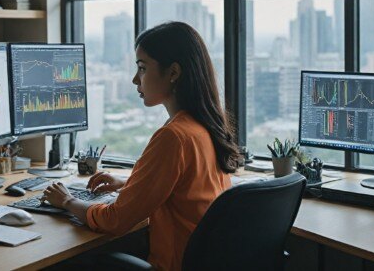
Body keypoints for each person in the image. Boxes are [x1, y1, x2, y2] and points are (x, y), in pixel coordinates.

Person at [42, 22, 240, 271]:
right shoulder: (204, 126)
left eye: (143, 69)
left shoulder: (174, 137)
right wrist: (130, 183)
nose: (136, 79)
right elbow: (189, 188)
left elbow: (115, 221)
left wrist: (67, 201)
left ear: (173, 73)